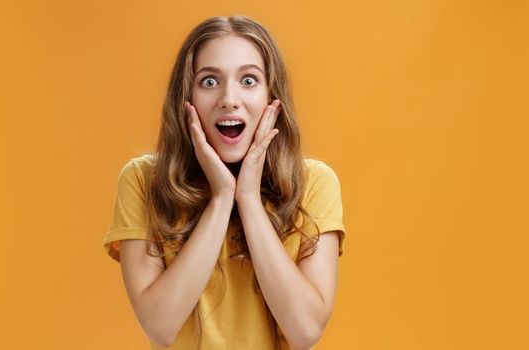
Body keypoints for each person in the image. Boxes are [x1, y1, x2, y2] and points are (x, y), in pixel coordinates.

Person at [102, 15, 346, 350]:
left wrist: (247, 198)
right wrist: (221, 198)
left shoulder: (316, 183)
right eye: (209, 82)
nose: (229, 99)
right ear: (185, 98)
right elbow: (159, 325)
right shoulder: (143, 181)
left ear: (272, 96)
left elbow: (304, 331)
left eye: (248, 80)